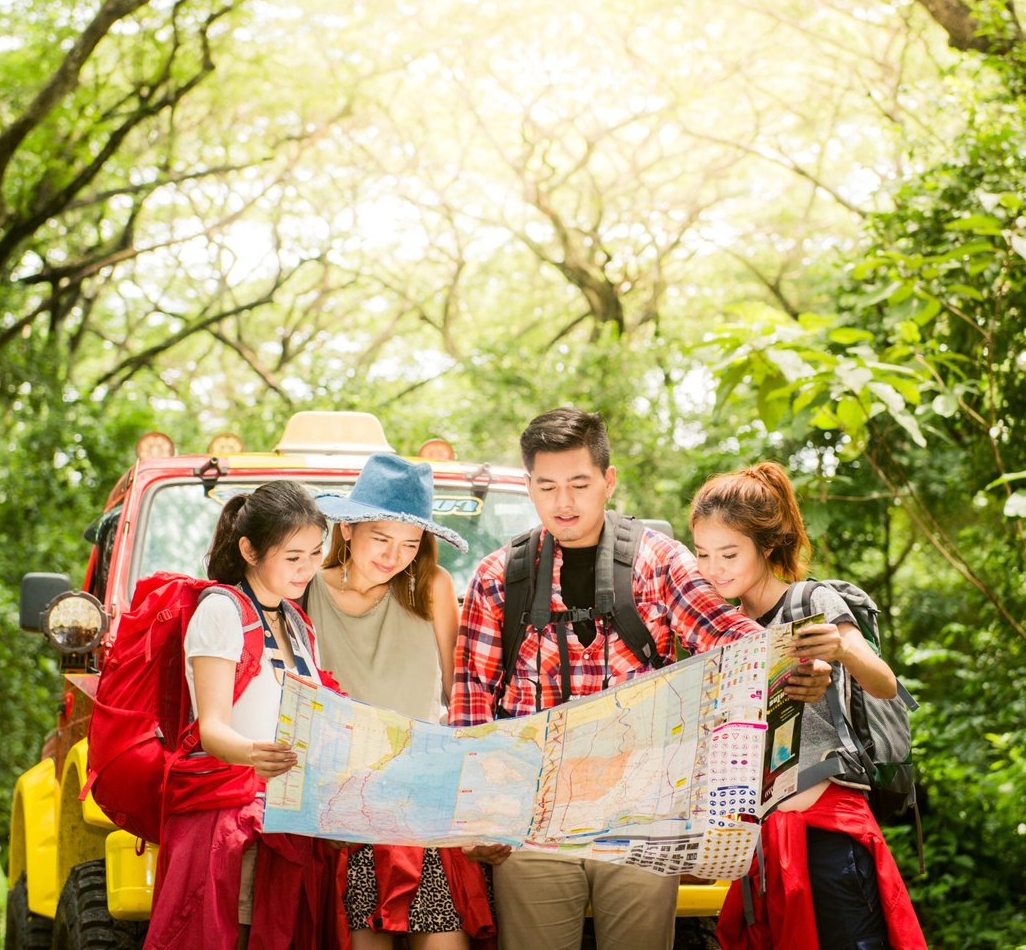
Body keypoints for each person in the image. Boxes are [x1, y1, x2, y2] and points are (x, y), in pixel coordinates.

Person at [451, 407, 809, 950]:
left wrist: (796, 666)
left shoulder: (658, 559)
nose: (563, 501)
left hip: (643, 812)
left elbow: (727, 636)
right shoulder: (499, 576)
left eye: (579, 483)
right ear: (528, 486)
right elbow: (473, 697)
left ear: (608, 481)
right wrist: (478, 813)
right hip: (533, 817)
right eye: (546, 486)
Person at [690, 462, 926, 950]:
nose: (714, 569)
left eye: (729, 553)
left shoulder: (810, 602)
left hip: (826, 829)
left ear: (767, 545)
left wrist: (837, 651)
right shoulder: (721, 630)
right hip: (759, 839)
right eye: (703, 555)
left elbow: (883, 684)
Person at [145, 480, 345, 950]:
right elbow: (211, 728)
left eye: (316, 553)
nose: (307, 569)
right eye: (292, 557)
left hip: (285, 813)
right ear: (250, 550)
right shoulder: (221, 610)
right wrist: (258, 754)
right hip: (229, 817)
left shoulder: (297, 622)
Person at [310, 453, 495, 950]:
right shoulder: (307, 591)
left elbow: (462, 697)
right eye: (381, 538)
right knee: (363, 939)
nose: (394, 556)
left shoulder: (432, 586)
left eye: (410, 543)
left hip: (422, 797)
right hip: (343, 800)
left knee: (444, 939)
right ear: (348, 530)